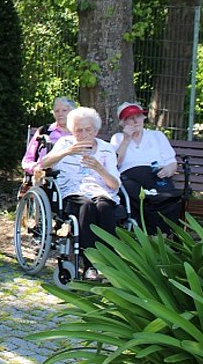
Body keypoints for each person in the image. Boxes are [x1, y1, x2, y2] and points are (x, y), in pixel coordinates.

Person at [39, 106, 120, 277]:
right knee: (87, 207)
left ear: (96, 130)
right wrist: (67, 151)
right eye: (78, 130)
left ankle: (109, 263)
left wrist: (100, 169)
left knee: (105, 208)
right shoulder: (64, 143)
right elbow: (44, 163)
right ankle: (90, 265)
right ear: (72, 131)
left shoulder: (106, 149)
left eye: (88, 130)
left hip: (101, 192)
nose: (83, 134)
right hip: (72, 192)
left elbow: (114, 185)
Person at [110, 101, 180, 235]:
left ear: (144, 118)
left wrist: (168, 169)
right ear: (124, 123)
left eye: (138, 116)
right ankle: (148, 234)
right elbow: (114, 164)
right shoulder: (118, 138)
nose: (136, 121)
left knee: (167, 197)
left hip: (156, 176)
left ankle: (161, 235)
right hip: (130, 180)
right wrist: (126, 139)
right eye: (131, 118)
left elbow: (172, 163)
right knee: (137, 195)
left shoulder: (157, 136)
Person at [21, 96, 76, 177]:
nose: (60, 114)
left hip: (73, 176)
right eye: (57, 111)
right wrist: (36, 169)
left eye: (64, 110)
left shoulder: (80, 133)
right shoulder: (44, 131)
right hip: (47, 177)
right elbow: (27, 160)